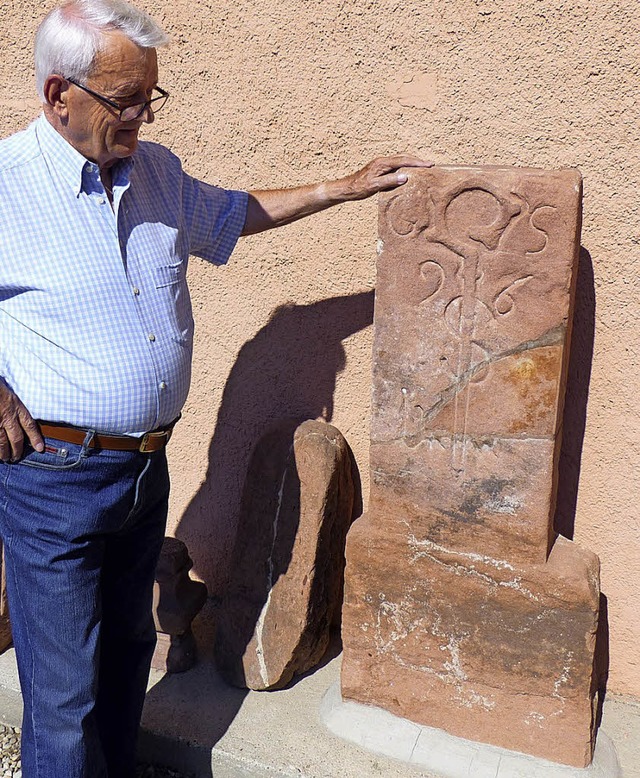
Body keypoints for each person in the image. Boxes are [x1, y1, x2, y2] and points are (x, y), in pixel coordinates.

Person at [0, 0, 431, 775]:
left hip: (144, 472)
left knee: (130, 655)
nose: (140, 115)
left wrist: (344, 188)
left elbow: (240, 213)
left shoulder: (156, 173)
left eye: (149, 96)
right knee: (63, 696)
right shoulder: (7, 184)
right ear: (58, 95)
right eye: (123, 100)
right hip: (53, 481)